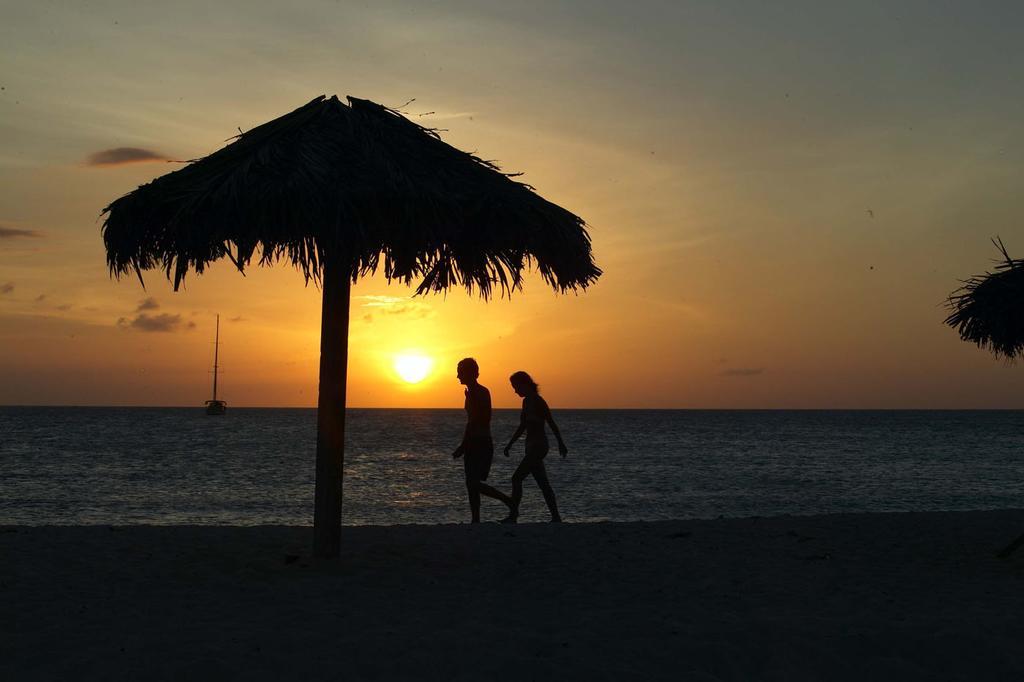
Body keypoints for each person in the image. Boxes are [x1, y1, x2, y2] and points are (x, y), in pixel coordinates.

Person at [452, 358, 514, 523]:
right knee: (471, 482)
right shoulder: (472, 393)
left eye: (460, 372)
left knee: (473, 483)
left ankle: (508, 501)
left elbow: (477, 420)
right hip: (474, 440)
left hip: (480, 441)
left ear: (470, 373)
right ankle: (475, 519)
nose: (457, 375)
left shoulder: (479, 392)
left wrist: (463, 444)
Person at [502, 371, 567, 523]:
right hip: (530, 447)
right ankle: (556, 517)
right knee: (543, 483)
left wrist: (561, 443)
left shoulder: (538, 401)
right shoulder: (526, 402)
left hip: (539, 446)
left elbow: (551, 423)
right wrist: (510, 444)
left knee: (516, 478)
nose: (515, 391)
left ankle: (513, 516)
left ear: (524, 384)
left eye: (516, 386)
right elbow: (522, 426)